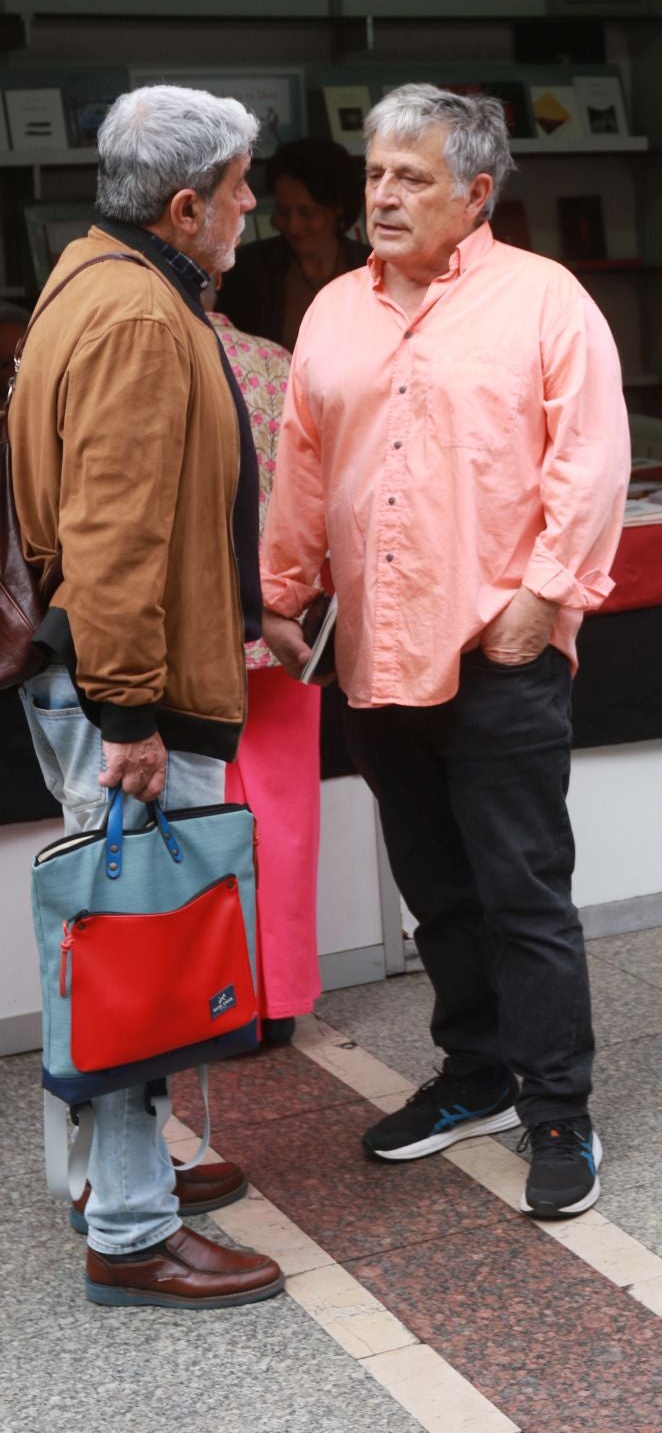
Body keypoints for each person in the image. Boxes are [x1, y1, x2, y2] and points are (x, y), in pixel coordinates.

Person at [259, 83, 630, 1220]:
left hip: (498, 647)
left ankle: (557, 1104)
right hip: (374, 652)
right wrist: (281, 592)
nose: (381, 195)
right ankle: (474, 1075)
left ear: (475, 194)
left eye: (409, 177)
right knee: (435, 887)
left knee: (522, 889)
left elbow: (592, 459)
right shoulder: (332, 310)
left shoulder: (543, 300)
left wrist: (544, 600)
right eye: (375, 174)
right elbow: (303, 460)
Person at [10, 84, 284, 1310]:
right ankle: (129, 1229)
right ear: (186, 206)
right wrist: (128, 714)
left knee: (112, 940)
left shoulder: (96, 276)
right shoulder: (136, 318)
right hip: (136, 690)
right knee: (139, 949)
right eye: (238, 188)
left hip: (122, 676)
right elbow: (113, 532)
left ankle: (99, 1182)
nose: (252, 206)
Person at [206, 286, 323, 1045]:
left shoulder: (149, 363)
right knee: (283, 817)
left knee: (198, 819)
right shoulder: (276, 364)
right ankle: (277, 1000)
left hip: (190, 632)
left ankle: (214, 998)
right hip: (282, 625)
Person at [216, 136, 369, 349]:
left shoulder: (371, 268)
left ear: (337, 210)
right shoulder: (249, 271)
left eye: (306, 212)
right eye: (283, 211)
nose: (293, 226)